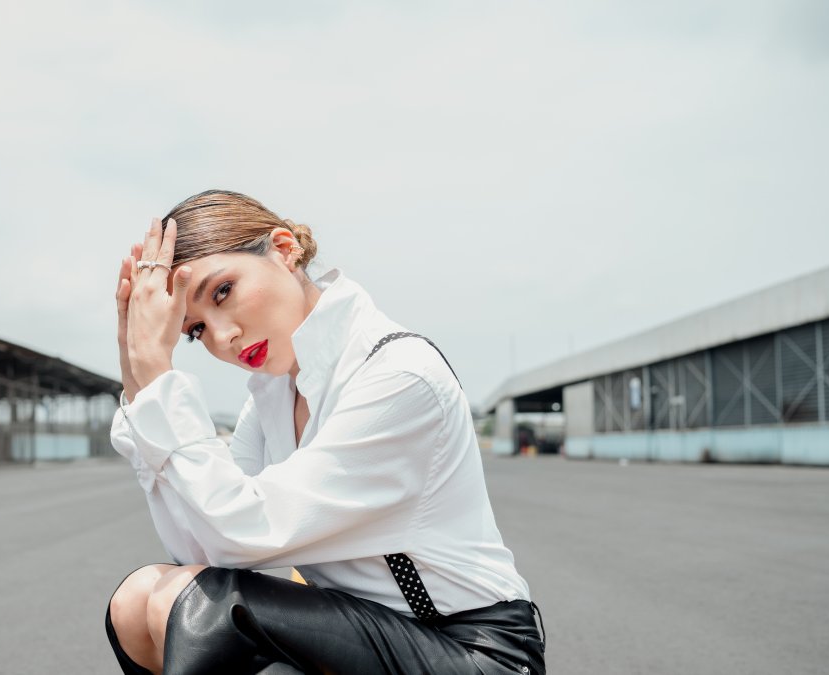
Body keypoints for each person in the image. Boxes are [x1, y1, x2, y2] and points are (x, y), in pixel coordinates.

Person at [106, 190, 546, 674]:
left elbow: (241, 534)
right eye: (195, 330)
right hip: (362, 636)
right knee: (138, 600)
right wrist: (139, 379)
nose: (222, 336)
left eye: (223, 292)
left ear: (284, 248)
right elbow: (202, 550)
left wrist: (160, 379)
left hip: (470, 650)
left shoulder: (398, 375)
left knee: (198, 608)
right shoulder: (272, 398)